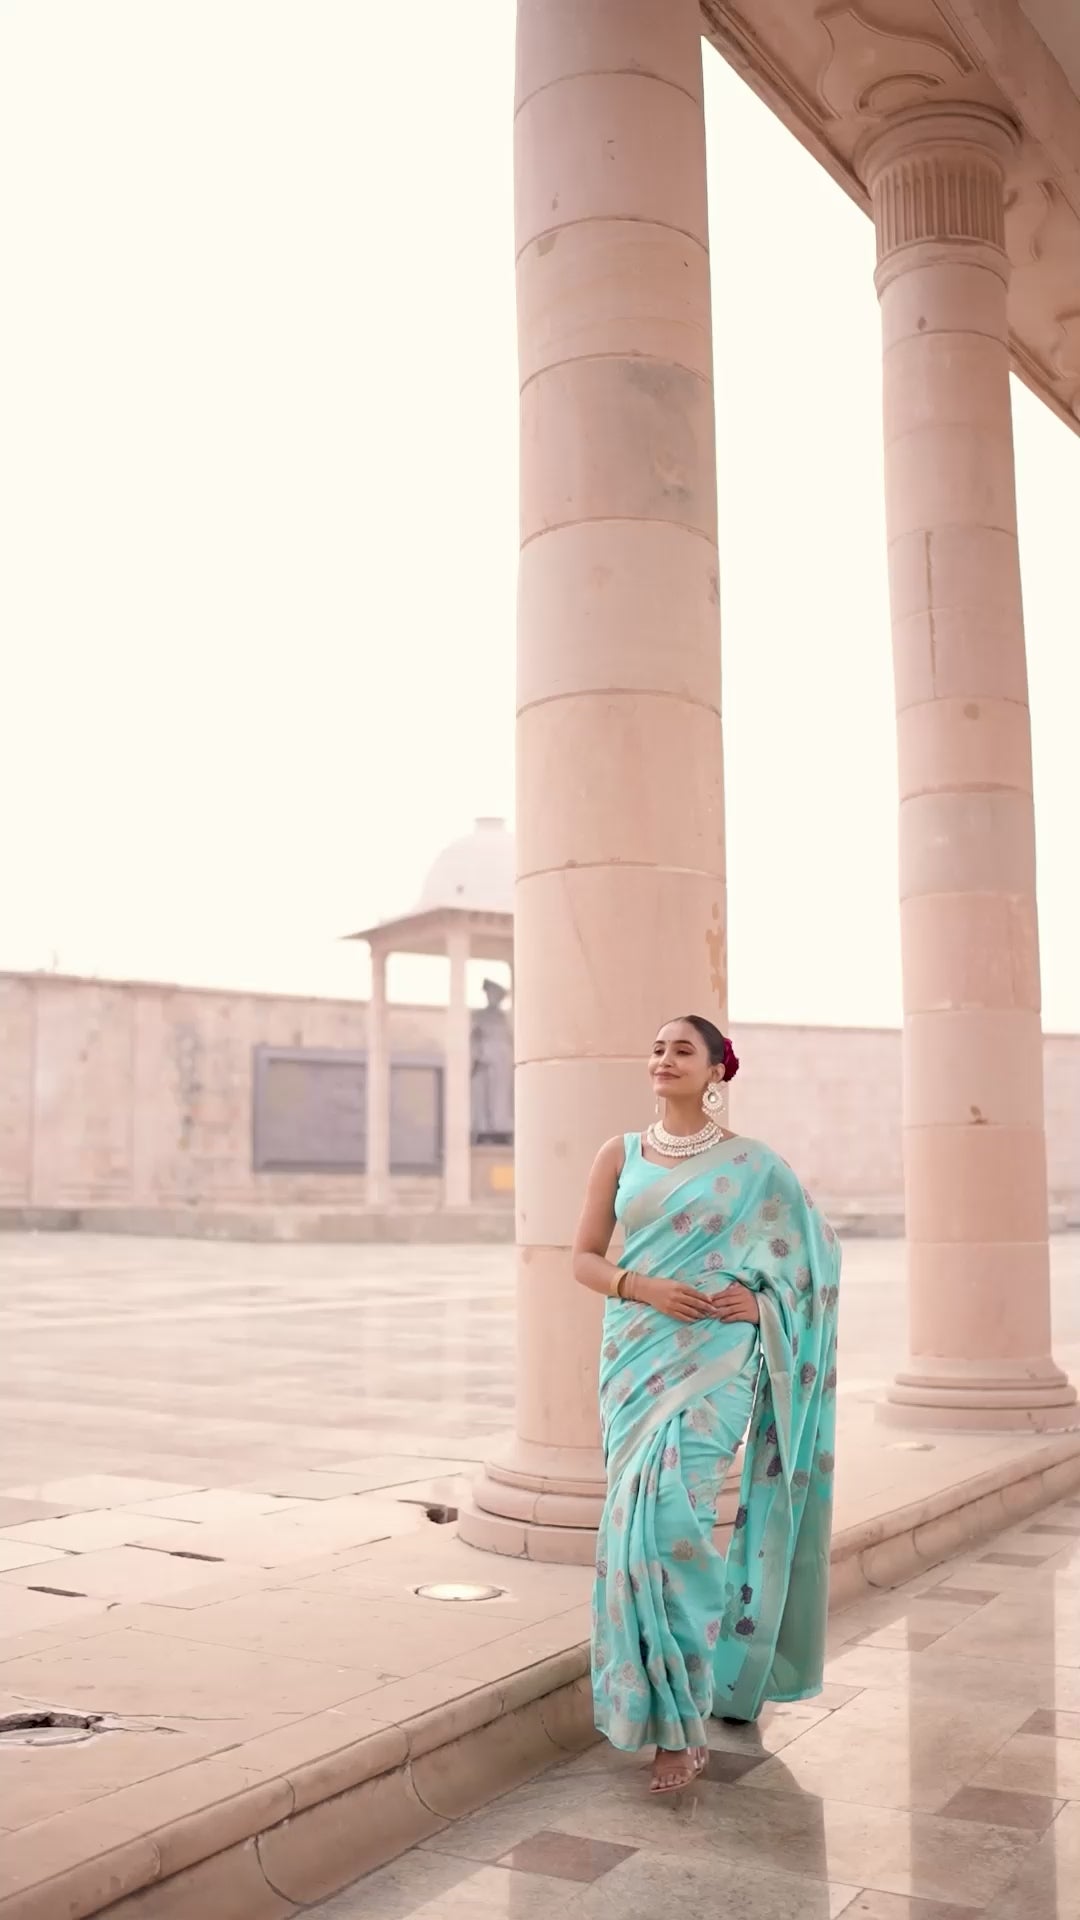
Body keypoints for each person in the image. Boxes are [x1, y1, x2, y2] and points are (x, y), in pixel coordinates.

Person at [572, 1015, 840, 1795]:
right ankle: (649, 1710)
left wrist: (760, 1308)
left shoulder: (755, 1167)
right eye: (655, 1047)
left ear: (718, 1068)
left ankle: (681, 1726)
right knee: (632, 1528)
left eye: (681, 1049)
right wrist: (642, 1285)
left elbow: (814, 1262)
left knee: (675, 1527)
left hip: (714, 1369)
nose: (662, 1059)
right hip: (635, 1358)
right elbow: (583, 1258)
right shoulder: (618, 1154)